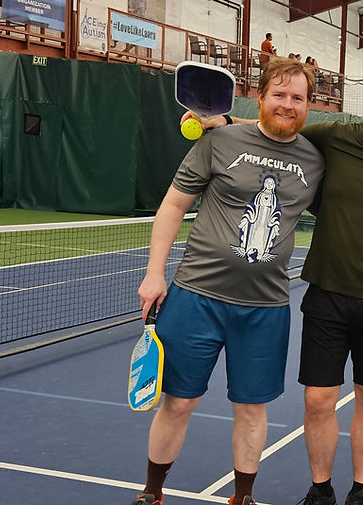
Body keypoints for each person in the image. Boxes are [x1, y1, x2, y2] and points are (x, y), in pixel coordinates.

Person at [183, 60, 363, 505]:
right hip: (325, 293)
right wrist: (224, 121)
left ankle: (360, 491)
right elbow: (277, 124)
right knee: (319, 401)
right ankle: (321, 490)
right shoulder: (333, 137)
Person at [131, 57, 325, 505]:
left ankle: (243, 498)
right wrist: (153, 274)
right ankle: (152, 491)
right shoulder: (220, 140)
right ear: (260, 97)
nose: (287, 104)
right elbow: (173, 206)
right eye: (279, 94)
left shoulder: (316, 161)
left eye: (297, 97)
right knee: (178, 402)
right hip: (196, 297)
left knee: (252, 409)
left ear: (309, 105)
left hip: (265, 308)